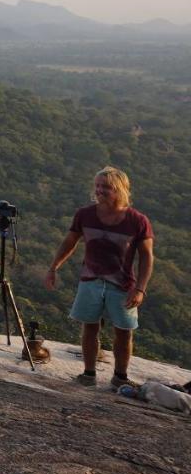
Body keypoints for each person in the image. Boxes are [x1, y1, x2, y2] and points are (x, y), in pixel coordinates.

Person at [44, 166, 156, 390]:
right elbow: (70, 242)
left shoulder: (138, 221)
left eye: (105, 187)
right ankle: (88, 374)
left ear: (120, 189)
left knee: (124, 332)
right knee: (89, 327)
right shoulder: (85, 214)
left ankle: (120, 377)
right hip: (90, 280)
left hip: (123, 284)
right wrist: (54, 267)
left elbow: (146, 258)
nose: (99, 191)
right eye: (97, 186)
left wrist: (141, 289)